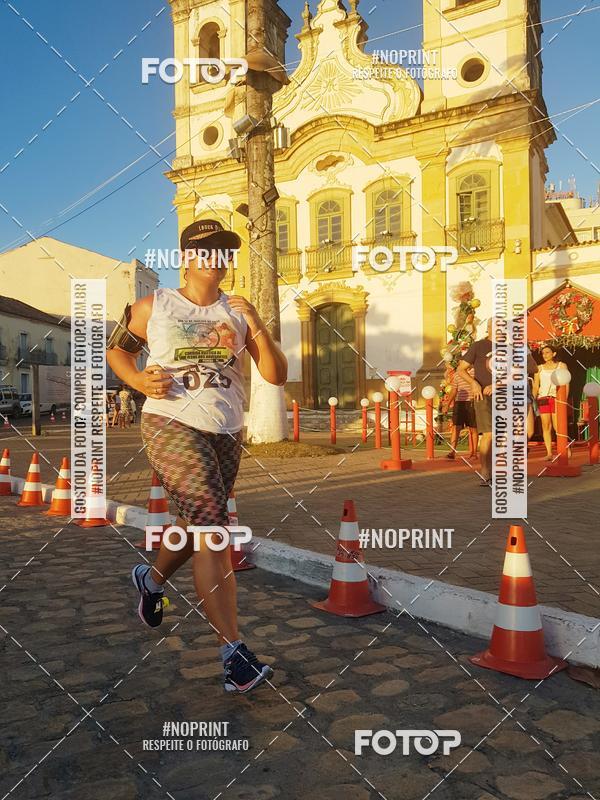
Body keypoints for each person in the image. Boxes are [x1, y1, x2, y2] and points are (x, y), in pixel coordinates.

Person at [107, 219, 287, 695]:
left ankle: (151, 577)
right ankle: (234, 655)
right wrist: (138, 380)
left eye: (226, 250)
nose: (218, 259)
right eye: (207, 250)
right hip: (170, 423)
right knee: (213, 531)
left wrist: (261, 327)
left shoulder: (239, 311)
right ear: (186, 257)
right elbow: (117, 352)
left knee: (197, 523)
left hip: (227, 430)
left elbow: (276, 374)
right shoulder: (155, 305)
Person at [457, 319, 494, 485]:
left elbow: (518, 371)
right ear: (489, 328)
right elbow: (461, 369)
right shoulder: (479, 346)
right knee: (489, 434)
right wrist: (474, 383)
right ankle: (486, 472)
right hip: (483, 396)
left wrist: (498, 384)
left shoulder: (510, 347)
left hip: (506, 395)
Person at [533, 344, 568, 460]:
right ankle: (549, 453)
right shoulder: (539, 368)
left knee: (559, 426)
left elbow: (566, 384)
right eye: (543, 353)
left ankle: (565, 449)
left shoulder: (561, 366)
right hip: (543, 398)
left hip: (557, 398)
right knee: (546, 426)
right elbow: (536, 387)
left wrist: (564, 400)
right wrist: (532, 401)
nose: (545, 355)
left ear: (554, 353)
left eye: (547, 352)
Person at [445, 366, 478, 460]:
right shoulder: (457, 374)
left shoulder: (475, 372)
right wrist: (447, 404)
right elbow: (454, 390)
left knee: (473, 428)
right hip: (459, 403)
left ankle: (474, 453)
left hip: (472, 402)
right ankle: (452, 452)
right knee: (456, 427)